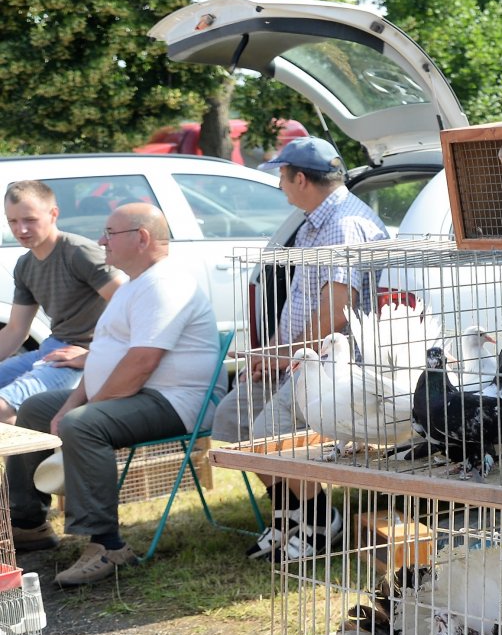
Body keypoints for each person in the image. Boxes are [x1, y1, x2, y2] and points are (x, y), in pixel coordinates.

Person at [5, 203, 221, 586]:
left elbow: (141, 363)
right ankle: (28, 523)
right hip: (140, 395)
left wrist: (80, 412)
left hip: (174, 402)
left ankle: (107, 545)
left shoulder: (165, 283)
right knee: (36, 409)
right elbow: (103, 359)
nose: (101, 241)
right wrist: (70, 404)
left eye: (110, 233)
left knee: (83, 425)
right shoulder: (135, 284)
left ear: (142, 238)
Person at [210, 136, 388, 561]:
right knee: (231, 421)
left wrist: (286, 355)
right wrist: (271, 352)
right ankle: (290, 515)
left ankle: (321, 521)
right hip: (297, 357)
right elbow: (300, 304)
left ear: (301, 179)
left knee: (269, 432)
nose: (280, 186)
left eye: (282, 176)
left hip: (331, 365)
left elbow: (336, 310)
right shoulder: (313, 222)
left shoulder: (343, 224)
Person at [0, 181, 122, 424]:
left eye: (30, 220)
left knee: (2, 408)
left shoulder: (80, 253)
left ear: (53, 214)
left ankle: (44, 442)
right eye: (13, 221)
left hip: (82, 358)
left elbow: (132, 306)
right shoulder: (25, 265)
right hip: (51, 350)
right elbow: (15, 330)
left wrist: (93, 354)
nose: (21, 229)